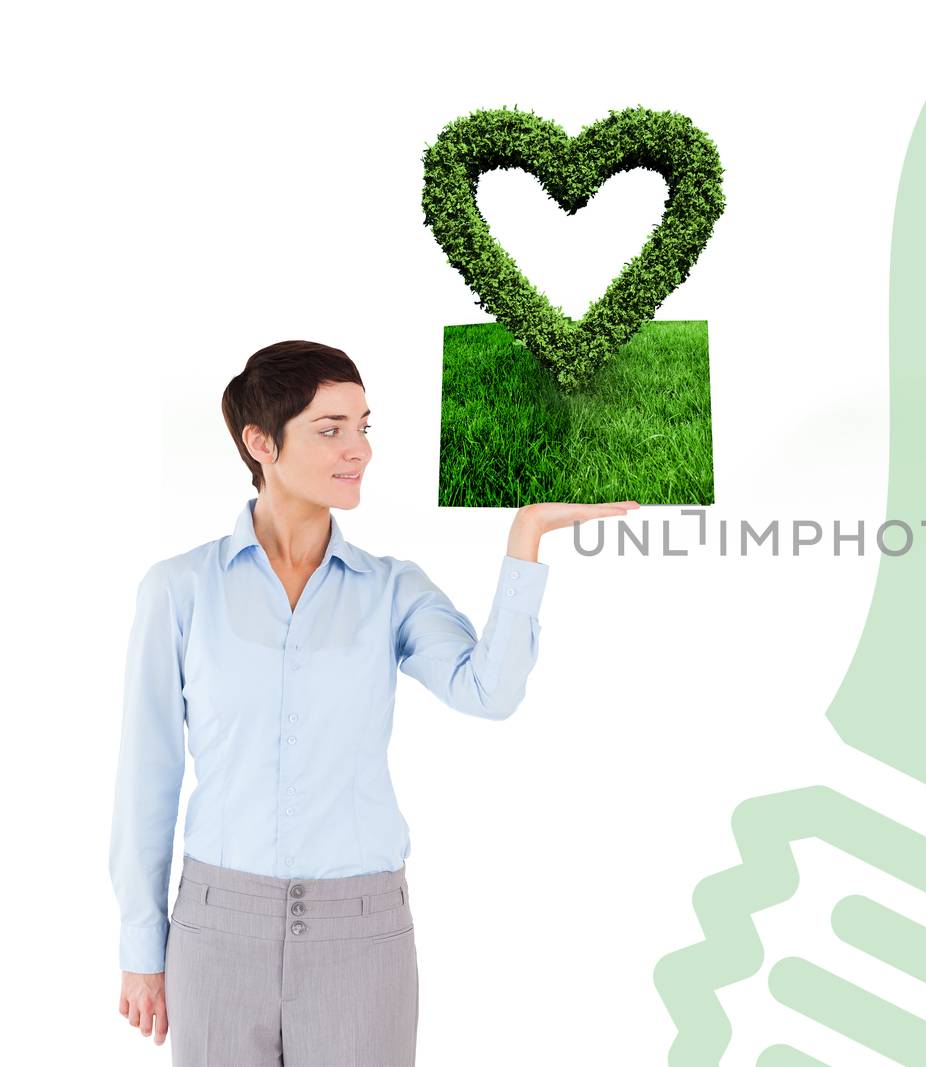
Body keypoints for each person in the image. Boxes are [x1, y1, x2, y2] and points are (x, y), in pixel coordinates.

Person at [108, 340, 636, 1064]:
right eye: (331, 429)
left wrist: (527, 536)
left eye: (363, 425)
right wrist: (142, 943)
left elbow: (491, 691)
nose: (358, 448)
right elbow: (148, 777)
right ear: (260, 442)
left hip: (361, 934)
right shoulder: (179, 588)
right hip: (216, 929)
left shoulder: (393, 588)